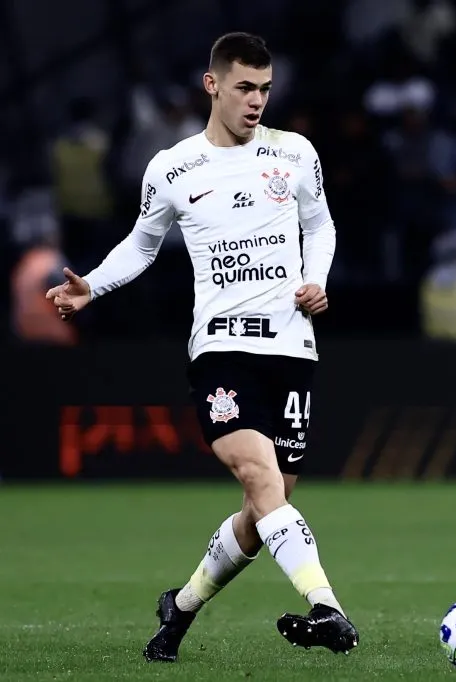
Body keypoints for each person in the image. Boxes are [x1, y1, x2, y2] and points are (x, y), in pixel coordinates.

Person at [45, 32, 358, 662]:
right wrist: (92, 288)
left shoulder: (295, 154)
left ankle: (181, 606)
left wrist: (316, 281)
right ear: (211, 85)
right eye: (245, 87)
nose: (257, 101)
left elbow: (320, 224)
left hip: (292, 348)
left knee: (265, 505)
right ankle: (328, 607)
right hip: (220, 350)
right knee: (258, 475)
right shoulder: (174, 166)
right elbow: (142, 243)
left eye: (266, 89)